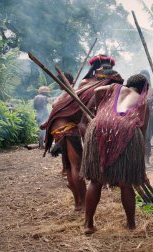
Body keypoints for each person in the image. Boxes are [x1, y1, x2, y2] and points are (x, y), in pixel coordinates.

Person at [40, 55, 119, 211]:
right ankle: (82, 203)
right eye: (105, 67)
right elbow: (86, 113)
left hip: (59, 124)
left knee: (70, 166)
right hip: (69, 126)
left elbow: (65, 106)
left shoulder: (86, 84)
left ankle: (78, 203)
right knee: (77, 166)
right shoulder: (99, 86)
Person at [81, 74, 149, 234]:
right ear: (144, 89)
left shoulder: (114, 88)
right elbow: (143, 132)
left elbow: (97, 90)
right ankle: (131, 224)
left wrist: (100, 112)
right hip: (126, 131)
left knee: (95, 181)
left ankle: (88, 225)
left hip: (99, 127)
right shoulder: (143, 101)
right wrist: (140, 164)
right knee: (126, 183)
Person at [140, 69, 153, 167]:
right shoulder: (136, 90)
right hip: (138, 117)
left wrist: (152, 99)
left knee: (147, 140)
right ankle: (139, 160)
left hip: (149, 116)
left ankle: (146, 161)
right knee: (139, 139)